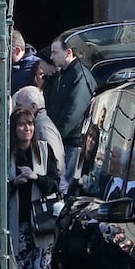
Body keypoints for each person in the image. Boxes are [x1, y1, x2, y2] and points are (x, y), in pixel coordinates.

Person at [0, 108, 60, 269]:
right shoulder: (4, 155)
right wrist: (14, 183)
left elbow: (54, 183)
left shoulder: (43, 151)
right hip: (18, 222)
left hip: (42, 224)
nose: (27, 129)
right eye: (22, 125)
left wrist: (34, 178)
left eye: (30, 124)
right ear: (14, 128)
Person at [44, 37, 96, 192]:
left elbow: (72, 113)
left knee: (65, 189)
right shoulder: (64, 74)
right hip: (63, 140)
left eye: (55, 52)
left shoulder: (79, 76)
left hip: (72, 143)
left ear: (68, 52)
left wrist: (55, 136)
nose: (51, 57)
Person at [12, 85, 66, 192]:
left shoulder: (44, 128)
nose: (14, 109)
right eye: (22, 124)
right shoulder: (7, 151)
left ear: (33, 107)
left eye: (18, 105)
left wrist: (36, 177)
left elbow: (57, 166)